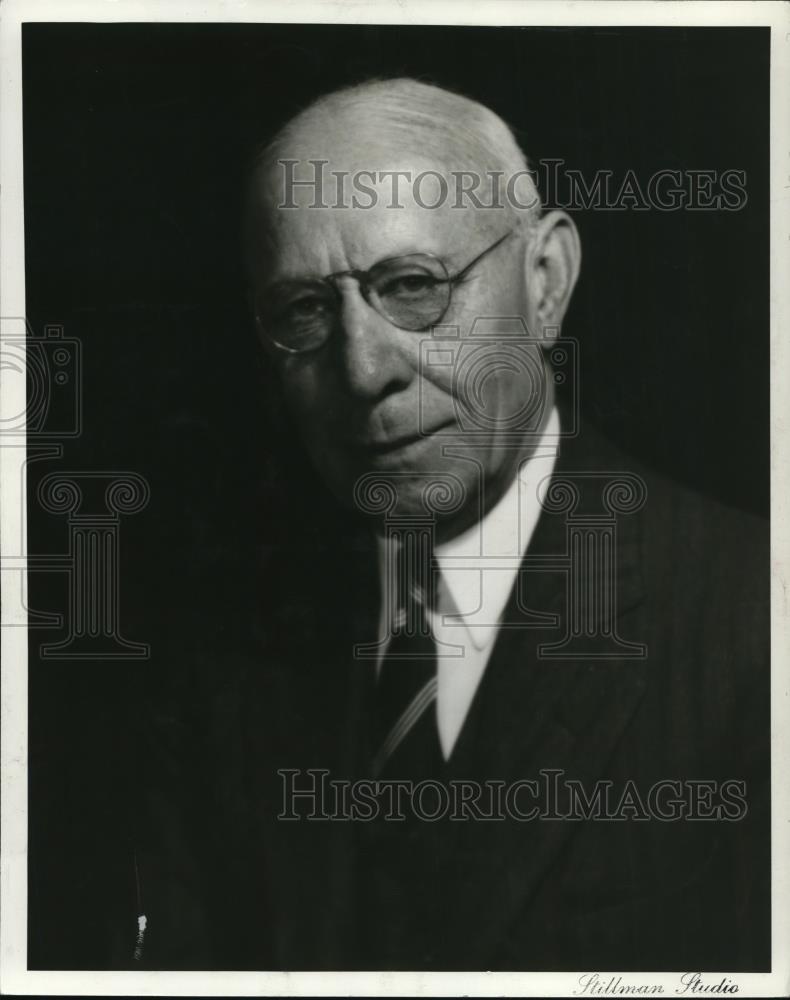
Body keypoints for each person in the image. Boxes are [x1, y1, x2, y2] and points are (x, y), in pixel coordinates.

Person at [132, 78, 770, 971]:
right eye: (305, 311)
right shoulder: (220, 646)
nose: (363, 372)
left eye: (413, 286)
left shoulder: (750, 623)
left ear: (544, 284)